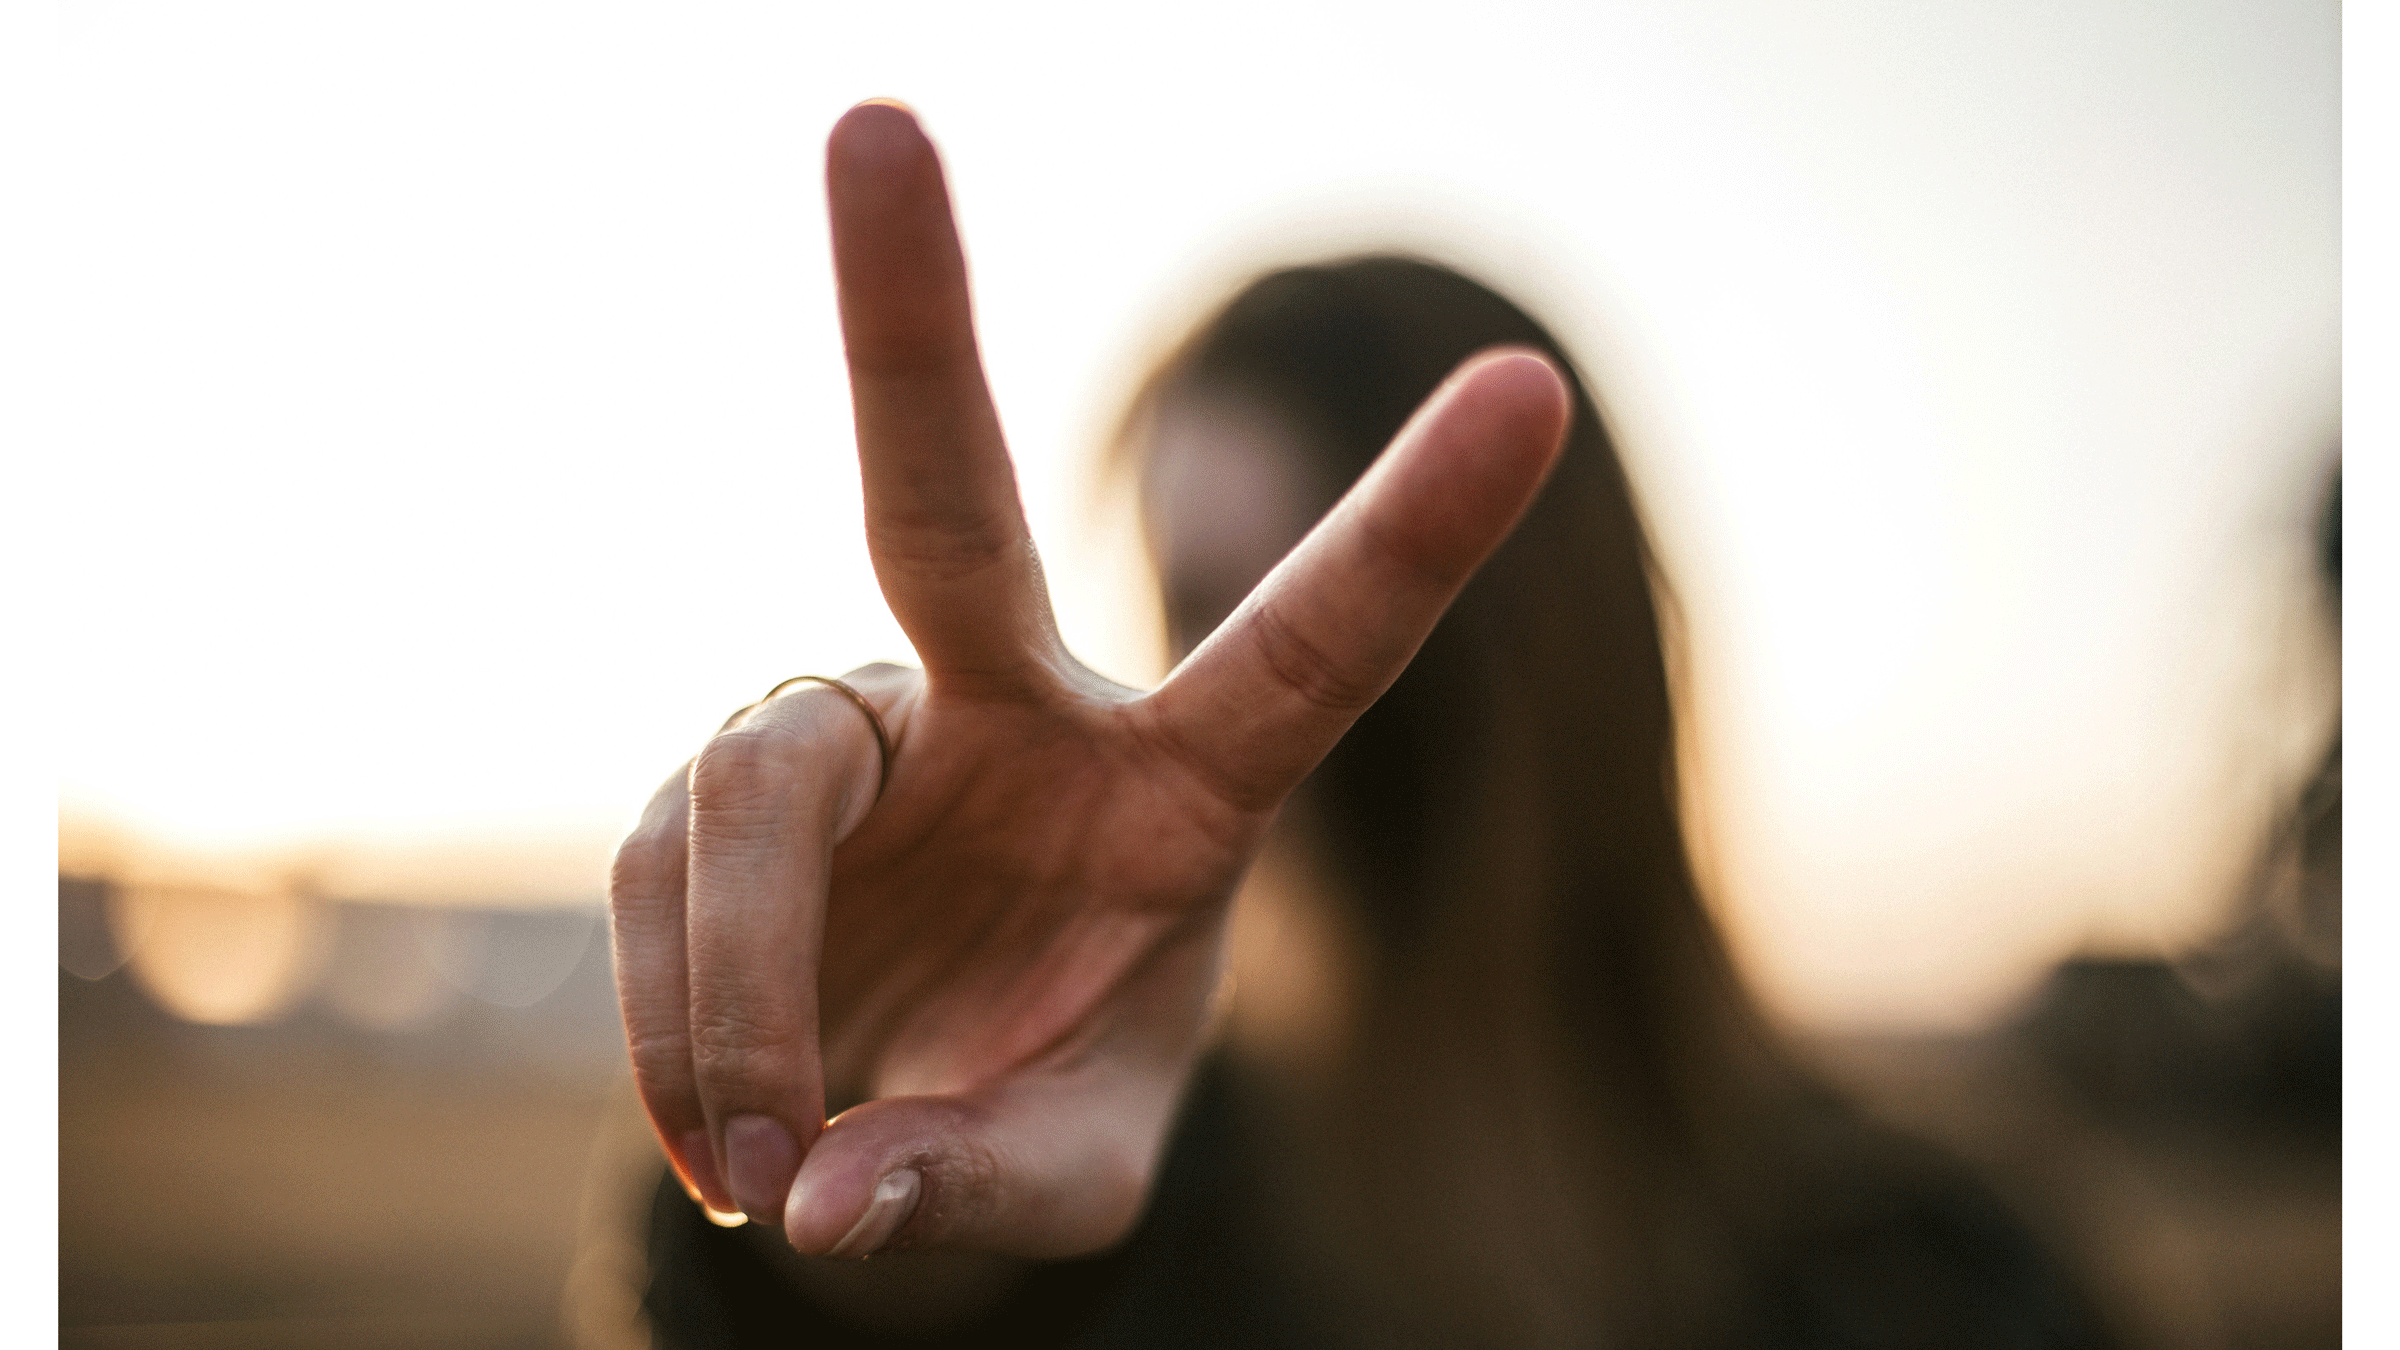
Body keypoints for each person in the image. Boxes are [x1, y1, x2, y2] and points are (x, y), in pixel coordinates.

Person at [604, 101, 2114, 1348]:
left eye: (1349, 610)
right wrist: (862, 1188)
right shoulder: (1108, 1238)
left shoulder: (1940, 1282)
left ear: (1554, 652)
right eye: (1199, 619)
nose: (1247, 711)